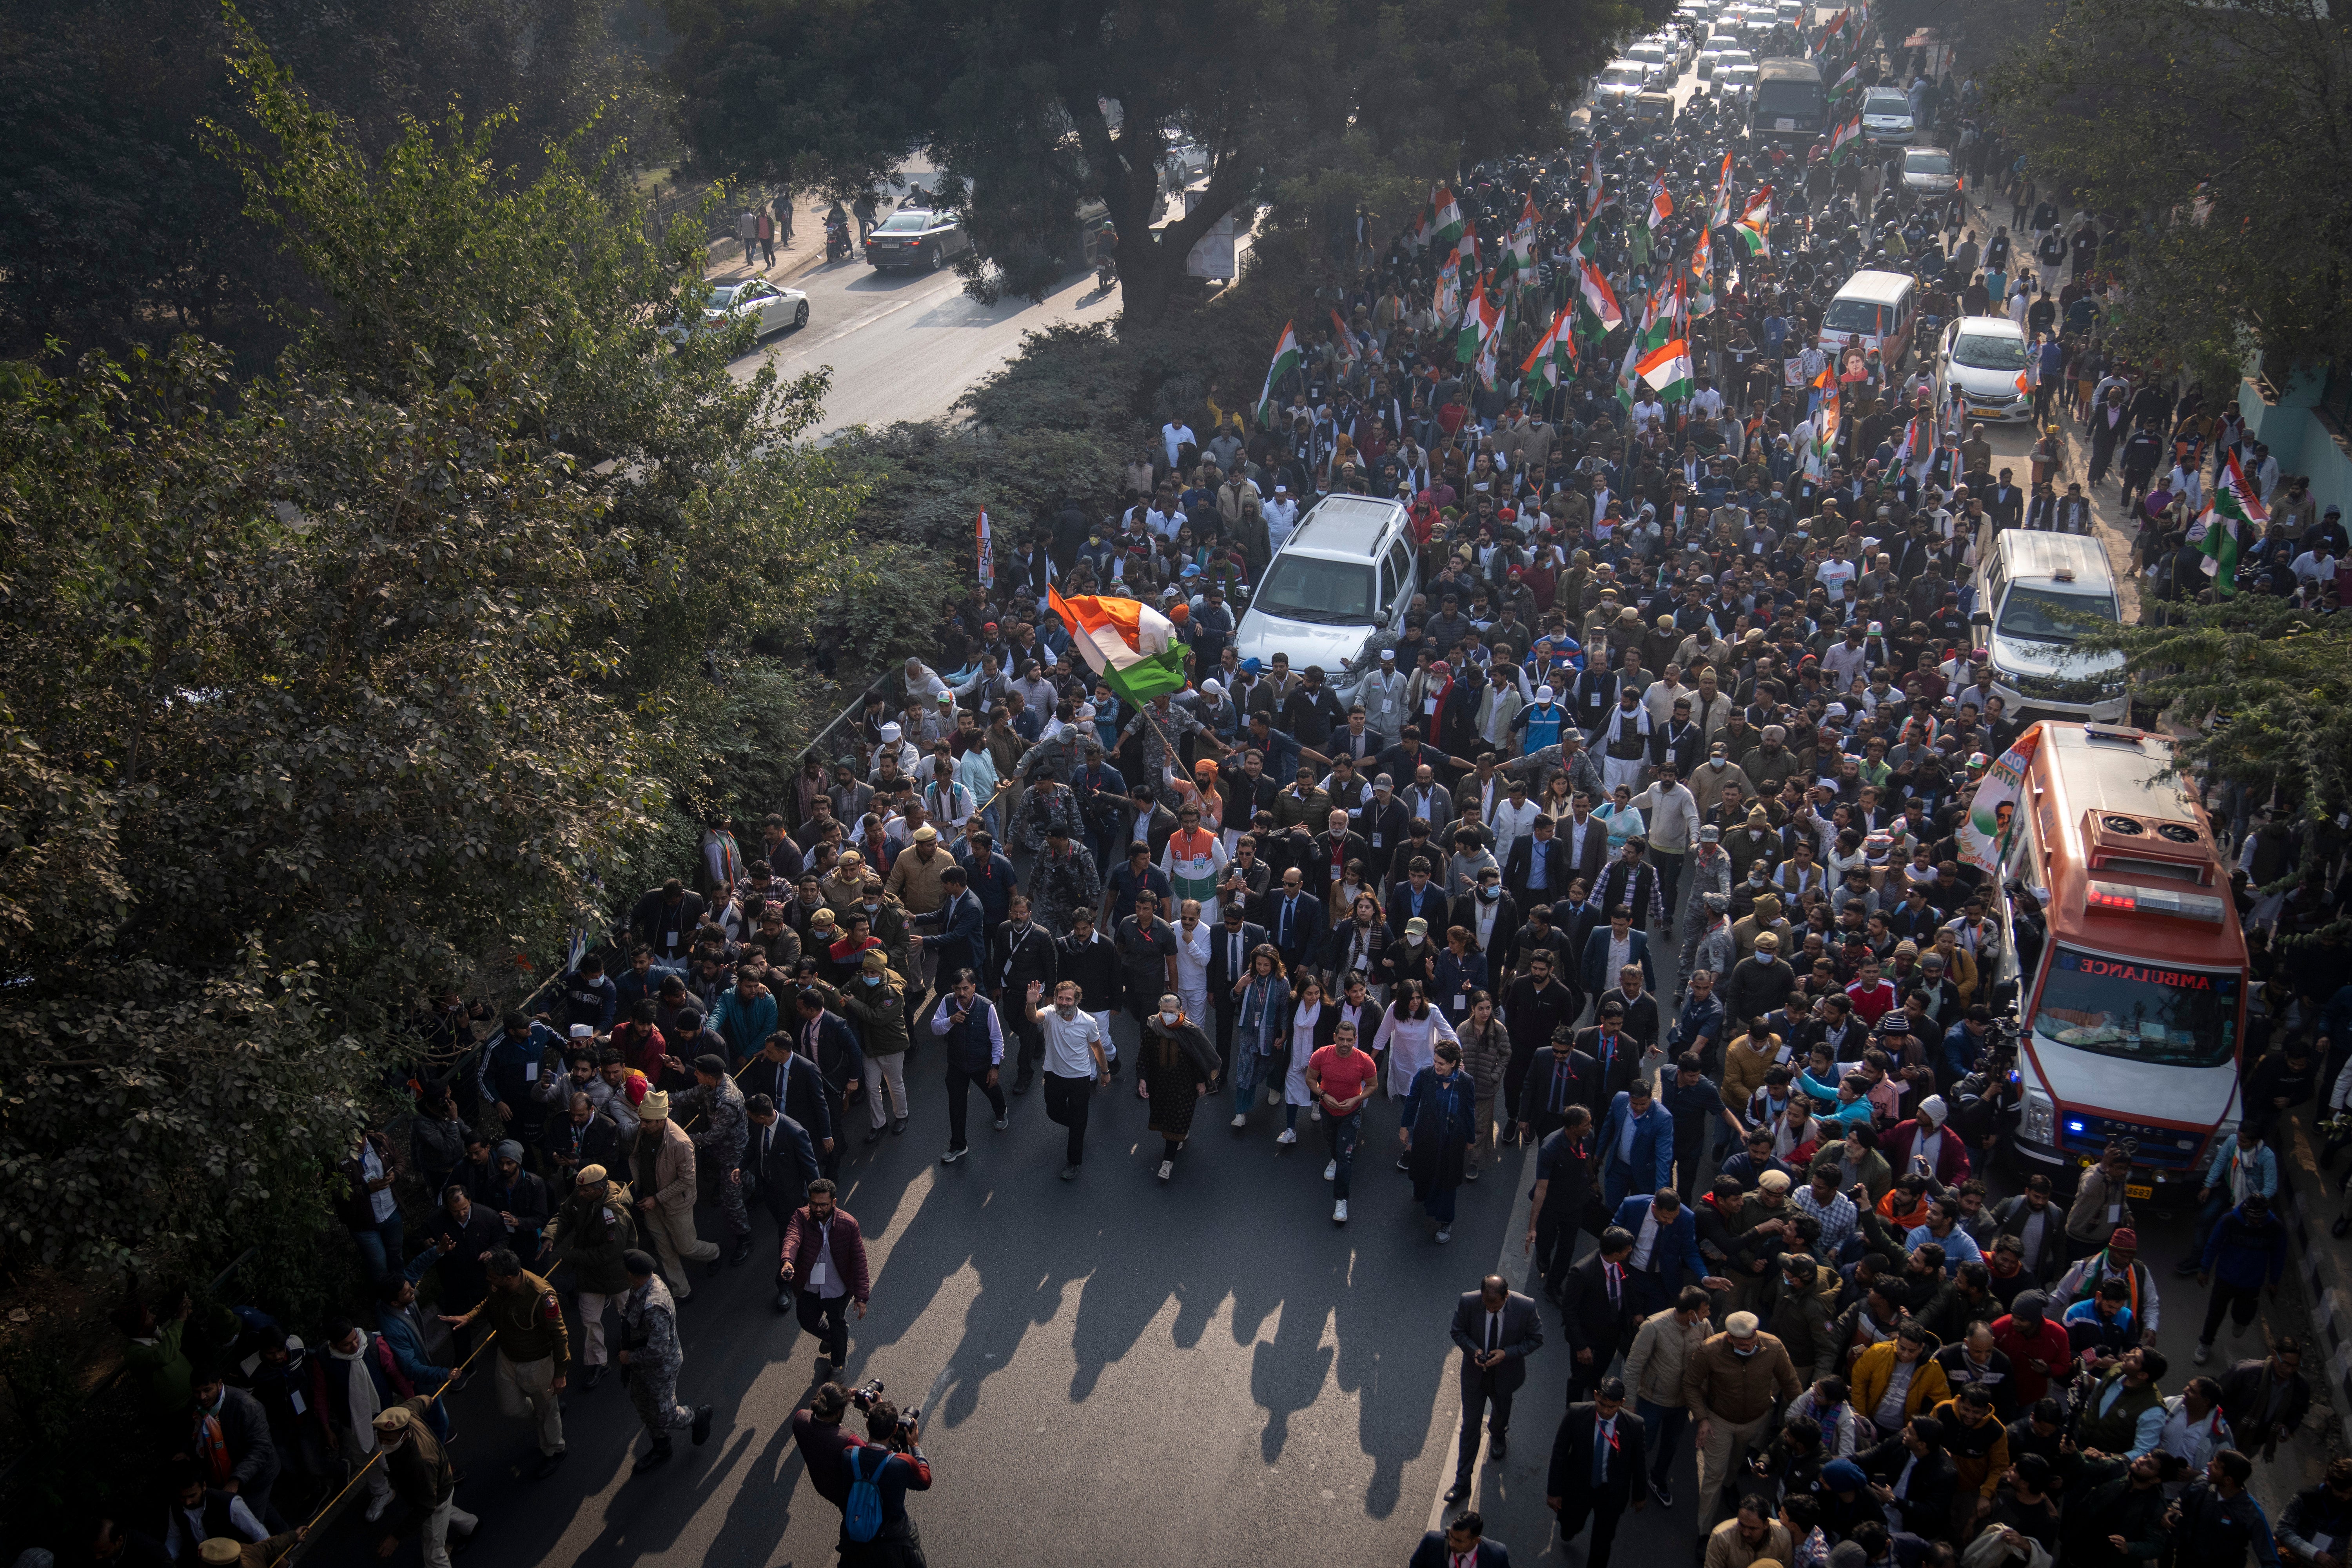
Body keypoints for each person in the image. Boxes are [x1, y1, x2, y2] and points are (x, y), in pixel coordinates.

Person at [438, 1249, 567, 1477]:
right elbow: (489, 1303)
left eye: (493, 1277)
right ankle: (546, 1414)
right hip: (507, 1358)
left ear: (509, 1278)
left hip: (538, 1363)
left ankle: (555, 1451)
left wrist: (560, 1373)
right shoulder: (500, 1285)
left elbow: (560, 1336)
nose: (489, 1280)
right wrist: (469, 1316)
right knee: (512, 1408)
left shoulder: (542, 1296)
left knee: (549, 1411)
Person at [1685, 1312, 1801, 1534]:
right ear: (1730, 1338)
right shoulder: (1709, 1350)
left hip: (1755, 1420)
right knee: (1713, 1474)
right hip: (1719, 1420)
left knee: (1737, 1460)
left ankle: (1730, 1486)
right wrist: (1702, 1418)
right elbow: (1690, 1384)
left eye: (1752, 1343)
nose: (1749, 1348)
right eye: (1743, 1345)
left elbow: (1791, 1382)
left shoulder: (1774, 1347)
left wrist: (1801, 1416)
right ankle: (1705, 1531)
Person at [1445, 1274, 1544, 1504]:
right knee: (1470, 1427)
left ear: (1507, 1296)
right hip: (1475, 1377)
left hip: (1506, 1377)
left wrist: (1507, 1353)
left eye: (1496, 1306)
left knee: (1500, 1414)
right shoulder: (1468, 1302)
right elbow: (1457, 1331)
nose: (1490, 1310)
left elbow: (1537, 1338)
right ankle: (1462, 1483)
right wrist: (1474, 1351)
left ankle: (1498, 1434)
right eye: (1486, 1305)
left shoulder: (1525, 1306)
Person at [615, 1249, 714, 1472]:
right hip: (643, 1365)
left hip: (660, 1367)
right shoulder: (645, 1284)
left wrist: (629, 1357)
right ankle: (661, 1447)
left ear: (632, 1275)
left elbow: (658, 1351)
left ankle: (698, 1416)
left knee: (666, 1415)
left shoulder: (654, 1306)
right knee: (642, 1402)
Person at [1546, 1376, 1649, 1568]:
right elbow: (1559, 1452)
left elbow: (1639, 1463)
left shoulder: (1634, 1426)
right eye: (1601, 1404)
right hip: (1579, 1487)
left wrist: (1640, 1495)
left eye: (1612, 1407)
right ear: (1595, 1395)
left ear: (1622, 1403)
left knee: (1603, 1542)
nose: (1605, 1411)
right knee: (1571, 1525)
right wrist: (1554, 1491)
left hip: (1612, 1494)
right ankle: (1568, 1529)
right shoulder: (1576, 1413)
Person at [1623, 1285, 1711, 1507]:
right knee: (1644, 1443)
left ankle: (1657, 1479)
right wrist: (1630, 1404)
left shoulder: (1703, 1326)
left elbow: (1712, 1357)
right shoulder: (1653, 1327)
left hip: (1682, 1403)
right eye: (1704, 1311)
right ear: (1691, 1313)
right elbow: (1633, 1367)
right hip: (1651, 1401)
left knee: (1671, 1445)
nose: (1708, 1315)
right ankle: (1625, 1476)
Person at [630, 1090, 722, 1300]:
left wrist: (658, 1199)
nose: (642, 1125)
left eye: (648, 1122)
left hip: (675, 1206)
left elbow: (687, 1180)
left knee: (686, 1247)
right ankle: (682, 1291)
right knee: (664, 1250)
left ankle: (715, 1251)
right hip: (650, 1203)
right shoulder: (644, 1131)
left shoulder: (680, 1143)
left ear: (662, 1120)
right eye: (642, 1120)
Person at [779, 1178, 871, 1381]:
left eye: (823, 1205)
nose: (818, 1209)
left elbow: (859, 1259)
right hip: (810, 1286)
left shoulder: (849, 1224)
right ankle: (835, 1338)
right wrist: (788, 1261)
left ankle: (838, 1365)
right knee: (806, 1321)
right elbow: (792, 1238)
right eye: (814, 1204)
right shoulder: (801, 1217)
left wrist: (862, 1297)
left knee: (837, 1323)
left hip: (836, 1289)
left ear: (834, 1203)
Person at [367, 1400, 474, 1568]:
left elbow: (427, 1507)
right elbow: (422, 1400)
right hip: (439, 1486)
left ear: (405, 1435)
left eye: (389, 1440)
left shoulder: (421, 1462)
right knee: (445, 1511)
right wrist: (429, 1399)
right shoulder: (407, 1415)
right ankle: (471, 1526)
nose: (384, 1444)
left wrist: (396, 1537)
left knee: (434, 1555)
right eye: (381, 1439)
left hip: (434, 1498)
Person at [1021, 978, 1109, 1180]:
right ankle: (1079, 1126)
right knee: (1053, 1112)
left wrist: (1105, 1072)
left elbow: (1097, 1048)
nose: (1063, 1003)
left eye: (1068, 999)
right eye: (1060, 998)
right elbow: (1034, 1018)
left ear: (1076, 1000)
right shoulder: (1051, 1013)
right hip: (1054, 1075)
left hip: (1080, 1079)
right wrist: (1031, 1003)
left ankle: (1073, 1162)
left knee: (1077, 1123)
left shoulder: (1087, 1022)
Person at [926, 968, 1008, 1165]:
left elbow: (997, 1039)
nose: (961, 994)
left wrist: (995, 1067)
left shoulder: (987, 1007)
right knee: (956, 1106)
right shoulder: (947, 1002)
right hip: (956, 1064)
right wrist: (951, 1021)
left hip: (981, 1064)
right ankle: (958, 1146)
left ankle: (1000, 1111)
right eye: (957, 989)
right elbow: (935, 1027)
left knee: (992, 1090)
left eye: (965, 988)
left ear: (974, 987)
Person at [1138, 992, 1219, 1181]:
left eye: (1171, 1012)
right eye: (1164, 1011)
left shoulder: (1190, 1031)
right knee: (1166, 1118)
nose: (1167, 1015)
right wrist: (1142, 1078)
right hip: (1160, 1084)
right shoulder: (1153, 1026)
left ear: (1180, 1011)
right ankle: (1179, 1136)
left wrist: (1201, 1082)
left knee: (1177, 1120)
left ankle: (1168, 1162)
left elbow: (1199, 1058)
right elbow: (1144, 1054)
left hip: (1183, 1086)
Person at [1405, 1040, 1479, 1243]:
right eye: (1435, 1061)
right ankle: (1421, 1191)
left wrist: (1471, 1139)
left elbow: (1469, 1112)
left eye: (1442, 1064)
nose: (1436, 1066)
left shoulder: (1466, 1082)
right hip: (1426, 1136)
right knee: (1422, 1169)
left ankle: (1446, 1222)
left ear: (1454, 1063)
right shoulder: (1425, 1075)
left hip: (1452, 1141)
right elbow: (1412, 1101)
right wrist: (1405, 1127)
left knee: (1447, 1181)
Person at [1308, 1017, 1380, 1223]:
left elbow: (1373, 1085)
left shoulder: (1365, 1061)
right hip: (1327, 1110)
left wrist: (1357, 1099)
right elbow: (1311, 1079)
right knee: (1331, 1141)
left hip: (1352, 1113)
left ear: (1356, 1040)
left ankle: (1341, 1200)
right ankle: (1334, 1158)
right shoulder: (1321, 1055)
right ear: (1335, 1038)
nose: (1345, 1044)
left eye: (1350, 1040)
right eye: (1342, 1039)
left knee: (1346, 1155)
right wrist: (1323, 1095)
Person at [1410, 1512, 1510, 1567]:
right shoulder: (1431, 1542)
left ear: (1476, 1541)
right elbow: (1416, 1565)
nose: (1452, 1543)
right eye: (1451, 1535)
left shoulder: (1497, 1556)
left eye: (1459, 1541)